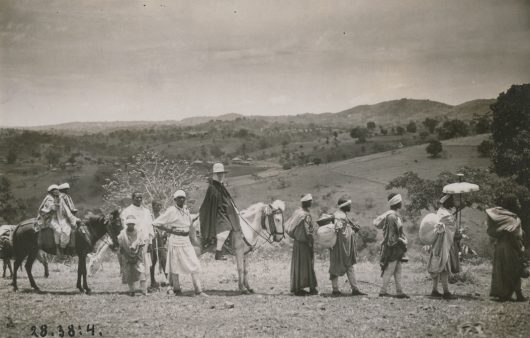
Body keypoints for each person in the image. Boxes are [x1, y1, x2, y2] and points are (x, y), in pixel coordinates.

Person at [153, 190, 207, 297]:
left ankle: (198, 290)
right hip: (175, 240)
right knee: (174, 265)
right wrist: (171, 230)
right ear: (175, 200)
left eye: (183, 197)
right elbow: (156, 223)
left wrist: (198, 216)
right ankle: (175, 289)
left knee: (194, 263)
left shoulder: (186, 210)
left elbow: (189, 222)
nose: (181, 199)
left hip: (186, 240)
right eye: (179, 198)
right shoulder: (171, 210)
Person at [486, 194, 527, 302]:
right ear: (512, 204)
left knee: (502, 270)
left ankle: (503, 294)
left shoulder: (503, 216)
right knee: (514, 269)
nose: (519, 204)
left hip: (500, 246)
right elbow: (512, 234)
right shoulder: (513, 218)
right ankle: (519, 295)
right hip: (510, 246)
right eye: (517, 202)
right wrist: (519, 248)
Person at [199, 163, 241, 260]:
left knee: (236, 222)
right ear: (214, 175)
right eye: (218, 174)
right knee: (226, 227)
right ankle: (218, 252)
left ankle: (230, 247)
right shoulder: (212, 188)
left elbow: (226, 200)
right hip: (215, 213)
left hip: (222, 211)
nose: (220, 176)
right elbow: (214, 203)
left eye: (222, 174)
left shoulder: (220, 186)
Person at [374, 193, 409, 298]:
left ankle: (399, 291)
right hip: (393, 248)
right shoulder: (392, 217)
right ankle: (383, 291)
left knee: (398, 270)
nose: (401, 203)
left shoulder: (394, 215)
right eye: (400, 201)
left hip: (396, 247)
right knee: (389, 270)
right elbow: (391, 237)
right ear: (397, 203)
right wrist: (401, 241)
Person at [330, 198, 366, 296]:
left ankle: (353, 289)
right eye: (349, 205)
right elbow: (341, 233)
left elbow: (344, 230)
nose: (350, 207)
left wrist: (353, 229)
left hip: (342, 246)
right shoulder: (339, 216)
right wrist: (354, 231)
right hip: (339, 247)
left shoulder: (341, 215)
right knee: (339, 266)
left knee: (345, 266)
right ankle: (337, 289)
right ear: (344, 206)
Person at [427, 194, 458, 299]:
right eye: (452, 201)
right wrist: (455, 220)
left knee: (437, 264)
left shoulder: (440, 212)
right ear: (449, 203)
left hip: (437, 243)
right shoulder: (447, 214)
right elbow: (452, 226)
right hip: (444, 243)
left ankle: (434, 290)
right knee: (444, 266)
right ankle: (446, 292)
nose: (454, 203)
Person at [120, 192, 154, 286]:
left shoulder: (146, 211)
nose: (139, 199)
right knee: (131, 263)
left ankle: (144, 286)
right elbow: (124, 227)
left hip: (145, 240)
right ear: (132, 198)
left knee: (144, 262)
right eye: (137, 198)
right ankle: (132, 287)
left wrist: (150, 241)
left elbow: (150, 226)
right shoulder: (126, 211)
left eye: (140, 197)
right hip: (132, 241)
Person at [290, 194, 318, 296]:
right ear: (306, 202)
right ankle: (311, 288)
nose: (311, 203)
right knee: (308, 264)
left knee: (298, 265)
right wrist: (311, 242)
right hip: (304, 243)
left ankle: (297, 287)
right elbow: (308, 231)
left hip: (297, 243)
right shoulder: (306, 215)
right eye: (310, 201)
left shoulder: (297, 212)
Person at [118, 215, 147, 296]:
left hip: (137, 256)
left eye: (132, 224)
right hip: (126, 256)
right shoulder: (122, 234)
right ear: (127, 224)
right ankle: (132, 290)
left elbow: (141, 245)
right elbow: (121, 248)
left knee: (142, 271)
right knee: (128, 273)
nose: (131, 225)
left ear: (134, 224)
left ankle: (144, 290)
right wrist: (127, 257)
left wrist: (136, 256)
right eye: (129, 224)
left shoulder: (139, 233)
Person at [149, 200, 167, 288]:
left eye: (160, 205)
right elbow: (147, 227)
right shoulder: (149, 216)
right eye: (157, 205)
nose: (159, 207)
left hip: (161, 240)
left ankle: (168, 280)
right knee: (152, 260)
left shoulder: (163, 216)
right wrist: (153, 233)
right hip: (152, 240)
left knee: (163, 259)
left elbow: (166, 227)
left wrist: (164, 233)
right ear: (153, 206)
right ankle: (152, 281)